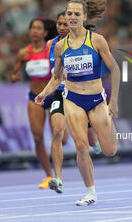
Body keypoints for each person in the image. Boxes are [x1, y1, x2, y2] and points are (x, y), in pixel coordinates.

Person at [35, 0, 120, 206]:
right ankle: (90, 192)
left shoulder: (96, 40)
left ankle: (108, 126)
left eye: (76, 14)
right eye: (69, 14)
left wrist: (114, 101)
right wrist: (44, 93)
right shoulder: (60, 46)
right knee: (81, 145)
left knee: (110, 151)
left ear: (84, 17)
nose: (72, 17)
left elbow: (115, 69)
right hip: (72, 99)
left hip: (97, 100)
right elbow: (57, 77)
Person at [46, 12, 102, 194]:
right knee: (57, 132)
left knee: (90, 140)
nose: (62, 27)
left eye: (65, 24)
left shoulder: (84, 42)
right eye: (59, 24)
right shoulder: (52, 45)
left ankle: (96, 143)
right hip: (60, 94)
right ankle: (58, 178)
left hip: (79, 95)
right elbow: (55, 74)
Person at [10, 18, 55, 189]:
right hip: (35, 97)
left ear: (45, 32)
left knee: (60, 137)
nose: (35, 31)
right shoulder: (23, 53)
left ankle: (56, 167)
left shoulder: (51, 48)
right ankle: (49, 176)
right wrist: (15, 77)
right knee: (37, 137)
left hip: (52, 95)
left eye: (39, 28)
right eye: (33, 28)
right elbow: (13, 75)